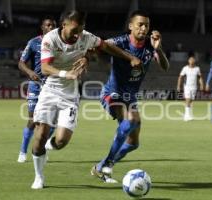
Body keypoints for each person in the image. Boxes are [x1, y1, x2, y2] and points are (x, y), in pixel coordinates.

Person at [31, 10, 141, 189]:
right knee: (40, 134)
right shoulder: (50, 39)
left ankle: (50, 145)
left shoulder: (85, 37)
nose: (78, 34)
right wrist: (67, 73)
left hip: (70, 95)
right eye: (75, 29)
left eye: (81, 29)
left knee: (61, 141)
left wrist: (130, 57)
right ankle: (39, 176)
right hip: (50, 90)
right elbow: (44, 68)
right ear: (64, 25)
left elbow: (106, 46)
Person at [91, 10, 170, 183]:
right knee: (132, 119)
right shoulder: (121, 41)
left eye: (146, 25)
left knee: (133, 143)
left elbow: (165, 66)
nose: (143, 28)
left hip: (130, 97)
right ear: (130, 26)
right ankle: (108, 165)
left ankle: (100, 167)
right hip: (112, 93)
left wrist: (159, 49)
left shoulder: (150, 44)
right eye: (140, 24)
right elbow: (102, 45)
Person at [17, 16, 56, 163]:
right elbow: (21, 63)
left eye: (53, 25)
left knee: (52, 122)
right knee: (33, 120)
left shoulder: (59, 43)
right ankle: (22, 151)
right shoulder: (34, 42)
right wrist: (30, 72)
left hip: (52, 86)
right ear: (42, 27)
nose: (51, 27)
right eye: (48, 25)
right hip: (37, 85)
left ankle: (42, 146)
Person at [177, 56, 204, 121]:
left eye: (193, 60)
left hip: (194, 86)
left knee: (191, 101)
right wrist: (178, 86)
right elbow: (180, 77)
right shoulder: (185, 68)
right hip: (187, 86)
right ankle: (186, 116)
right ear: (188, 61)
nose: (191, 61)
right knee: (188, 100)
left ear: (194, 61)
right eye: (190, 60)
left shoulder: (197, 69)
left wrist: (202, 85)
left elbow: (200, 77)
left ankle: (189, 114)